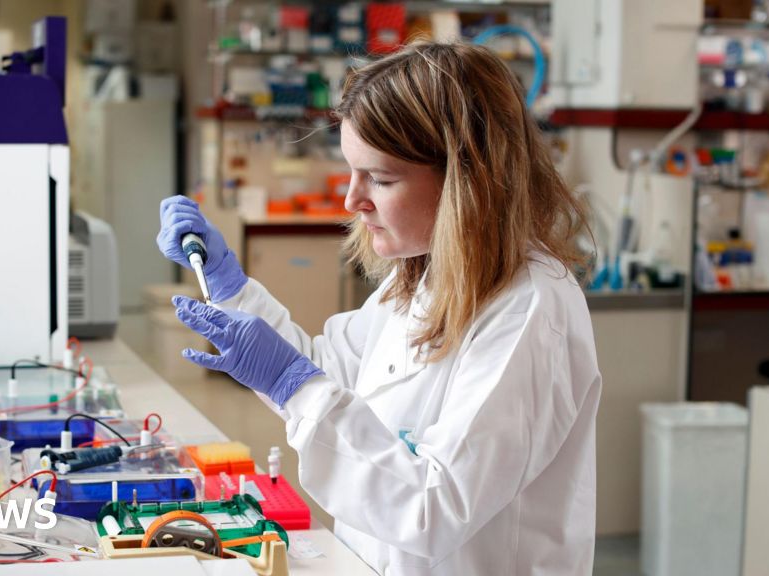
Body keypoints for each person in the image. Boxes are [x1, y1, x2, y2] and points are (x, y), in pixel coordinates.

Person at [157, 41, 601, 576]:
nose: (352, 200)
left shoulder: (529, 309)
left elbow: (436, 508)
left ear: (468, 181)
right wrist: (232, 288)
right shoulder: (423, 276)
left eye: (381, 179)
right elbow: (328, 376)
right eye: (352, 170)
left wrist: (290, 381)